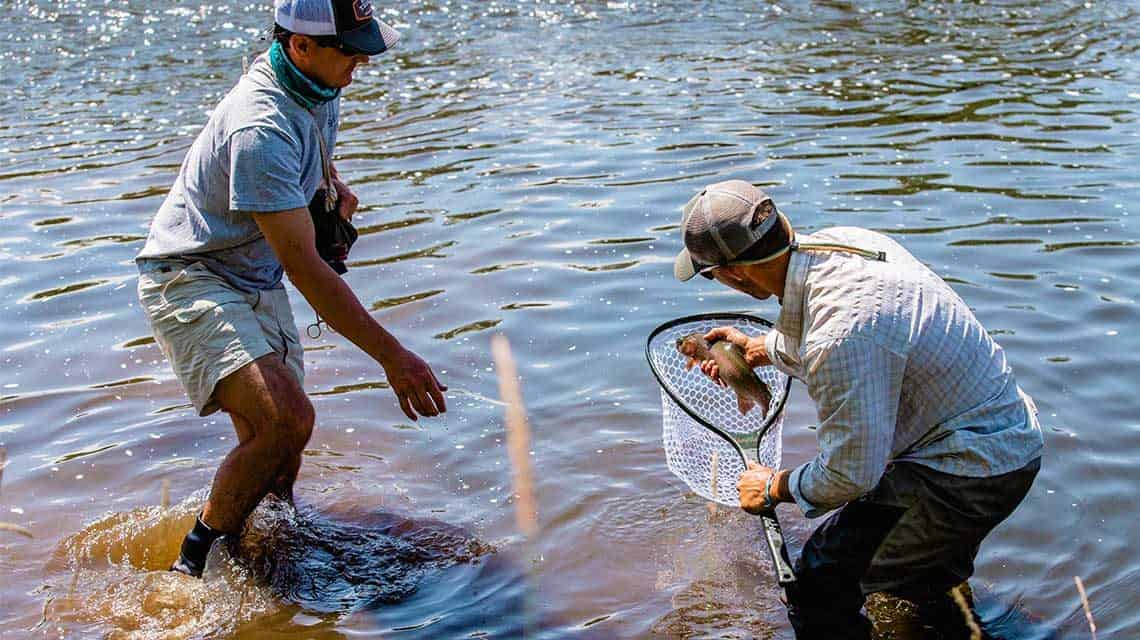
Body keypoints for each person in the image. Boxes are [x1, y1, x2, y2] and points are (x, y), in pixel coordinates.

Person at [135, 0, 447, 578]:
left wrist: (330, 188)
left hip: (253, 273)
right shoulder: (260, 127)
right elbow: (305, 270)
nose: (361, 61)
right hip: (191, 276)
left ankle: (271, 562)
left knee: (277, 449)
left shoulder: (315, 82)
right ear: (300, 45)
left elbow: (306, 162)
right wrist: (394, 358)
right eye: (349, 50)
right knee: (286, 418)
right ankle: (193, 564)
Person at [673, 180, 1044, 638]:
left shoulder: (842, 332)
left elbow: (850, 474)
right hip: (1001, 432)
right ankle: (953, 614)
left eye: (710, 274)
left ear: (736, 275)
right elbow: (852, 343)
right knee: (921, 579)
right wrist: (760, 349)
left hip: (972, 469)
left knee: (818, 580)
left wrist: (773, 485)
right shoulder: (848, 244)